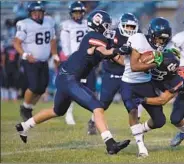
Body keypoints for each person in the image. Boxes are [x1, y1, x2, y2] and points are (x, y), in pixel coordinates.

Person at [15, 10, 130, 155]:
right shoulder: (93, 36)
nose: (109, 29)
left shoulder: (101, 40)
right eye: (107, 25)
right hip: (70, 78)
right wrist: (120, 49)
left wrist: (131, 61)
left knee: (57, 110)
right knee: (98, 107)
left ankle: (24, 126)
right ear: (99, 25)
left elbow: (116, 58)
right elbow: (107, 51)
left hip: (65, 78)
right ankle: (110, 144)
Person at [121, 17, 171, 157]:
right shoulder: (138, 39)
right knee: (132, 110)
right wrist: (155, 64)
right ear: (152, 34)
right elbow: (135, 66)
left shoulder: (163, 46)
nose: (161, 42)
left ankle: (140, 129)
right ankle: (141, 148)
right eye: (159, 38)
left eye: (164, 39)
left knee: (160, 121)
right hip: (129, 83)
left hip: (146, 83)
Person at [88, 13, 140, 135]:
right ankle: (92, 121)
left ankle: (137, 124)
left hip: (129, 75)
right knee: (104, 103)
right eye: (127, 26)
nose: (130, 29)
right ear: (121, 26)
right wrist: (132, 64)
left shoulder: (139, 36)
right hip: (113, 72)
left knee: (136, 101)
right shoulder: (112, 35)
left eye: (132, 27)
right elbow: (114, 55)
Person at [13, 1, 60, 121]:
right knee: (34, 87)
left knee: (42, 88)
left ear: (43, 13)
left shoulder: (49, 21)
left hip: (43, 60)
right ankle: (25, 108)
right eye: (34, 13)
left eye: (39, 12)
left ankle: (28, 108)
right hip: (30, 60)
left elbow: (53, 40)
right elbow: (16, 42)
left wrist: (55, 55)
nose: (37, 15)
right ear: (30, 13)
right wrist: (25, 55)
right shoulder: (24, 24)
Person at [60, 1, 97, 125]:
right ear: (71, 13)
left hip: (88, 60)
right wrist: (70, 59)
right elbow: (65, 45)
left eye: (79, 12)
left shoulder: (88, 24)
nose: (77, 15)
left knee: (92, 88)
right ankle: (69, 113)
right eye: (75, 12)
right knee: (73, 88)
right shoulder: (67, 25)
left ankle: (94, 117)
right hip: (75, 61)